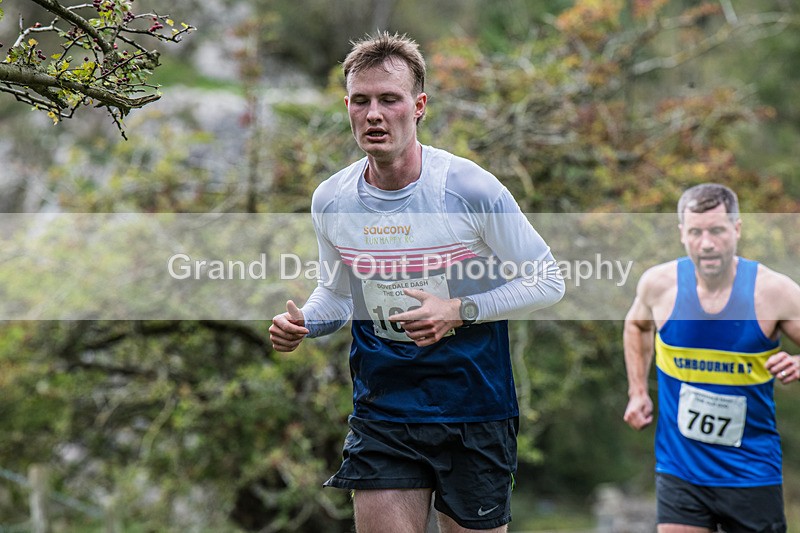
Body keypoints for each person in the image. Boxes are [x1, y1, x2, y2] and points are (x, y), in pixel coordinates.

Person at [269, 32, 565, 532]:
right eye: (361, 101)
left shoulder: (468, 188)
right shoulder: (332, 200)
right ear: (347, 107)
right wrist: (304, 323)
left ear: (419, 106)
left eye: (390, 99)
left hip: (473, 408)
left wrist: (457, 311)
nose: (374, 115)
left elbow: (548, 280)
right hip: (384, 409)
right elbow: (337, 295)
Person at [623, 183, 800, 532]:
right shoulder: (659, 285)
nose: (706, 243)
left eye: (717, 231)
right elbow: (636, 325)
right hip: (680, 469)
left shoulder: (774, 292)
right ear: (681, 234)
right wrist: (638, 391)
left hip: (751, 471)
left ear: (737, 229)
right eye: (695, 232)